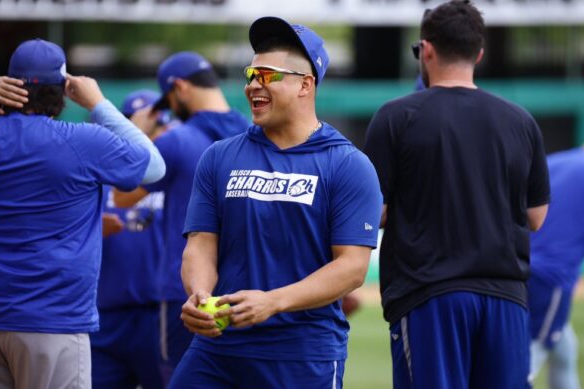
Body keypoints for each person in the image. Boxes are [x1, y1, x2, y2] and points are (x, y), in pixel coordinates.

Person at [172, 16, 382, 388]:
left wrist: (273, 302)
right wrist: (199, 293)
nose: (253, 85)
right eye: (250, 73)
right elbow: (200, 245)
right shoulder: (219, 157)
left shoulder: (348, 165)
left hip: (302, 355)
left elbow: (351, 267)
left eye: (266, 75)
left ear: (305, 85)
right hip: (218, 351)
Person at [364, 2, 550, 388]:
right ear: (478, 53)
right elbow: (536, 217)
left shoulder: (395, 116)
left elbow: (375, 212)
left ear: (426, 49)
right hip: (506, 297)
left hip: (429, 294)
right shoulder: (520, 120)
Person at [0, 39, 165, 389]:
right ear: (63, 90)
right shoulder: (84, 140)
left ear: (7, 85)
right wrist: (98, 103)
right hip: (53, 320)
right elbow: (153, 167)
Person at [113, 52, 249, 380]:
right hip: (247, 292)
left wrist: (139, 133)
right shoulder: (253, 133)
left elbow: (121, 193)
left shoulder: (177, 140)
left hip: (187, 293)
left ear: (179, 87)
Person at [91, 90, 171, 389]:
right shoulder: (98, 170)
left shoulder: (175, 173)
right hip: (104, 313)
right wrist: (88, 228)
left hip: (157, 311)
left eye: (154, 124)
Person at [527, 147, 584, 389]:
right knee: (528, 359)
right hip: (549, 278)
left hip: (513, 264)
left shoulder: (557, 161)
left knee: (564, 349)